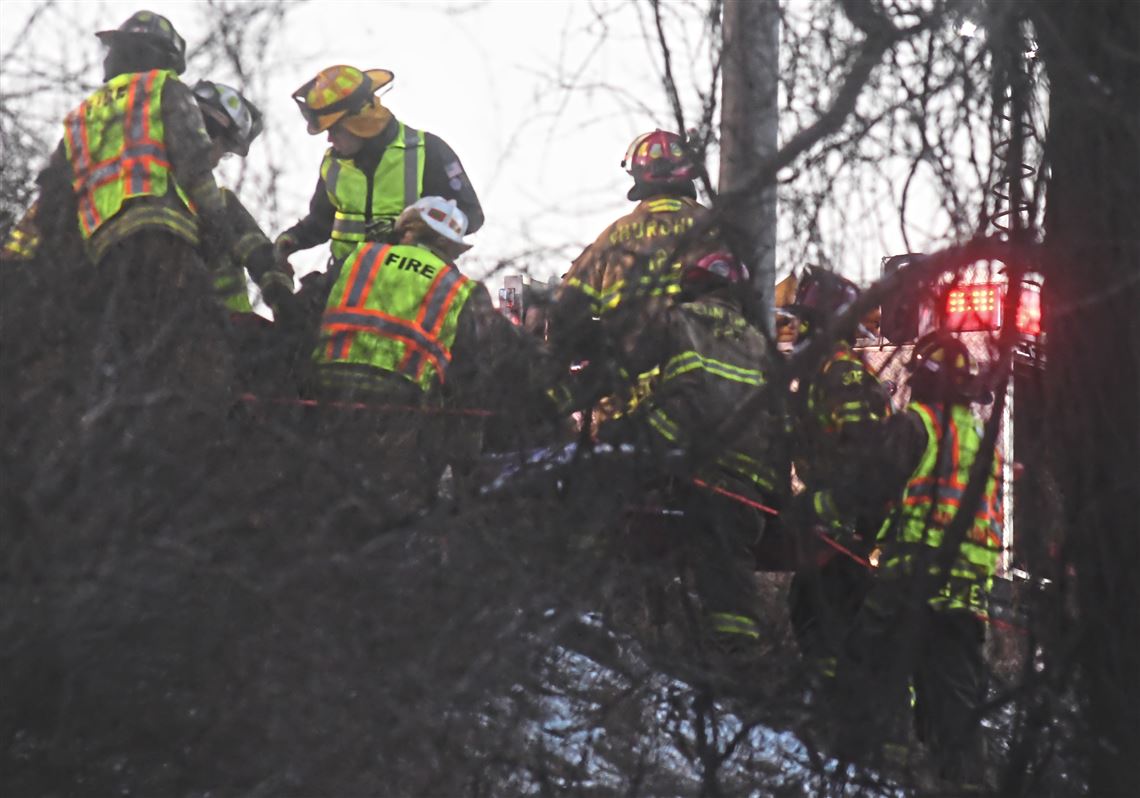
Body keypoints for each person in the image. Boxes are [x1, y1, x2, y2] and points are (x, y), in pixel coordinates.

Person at [557, 250, 785, 657]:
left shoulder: (681, 319)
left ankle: (582, 594)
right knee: (728, 576)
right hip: (746, 474)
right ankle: (740, 658)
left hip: (683, 448)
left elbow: (625, 363)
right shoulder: (761, 343)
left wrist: (577, 388)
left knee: (594, 479)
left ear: (695, 285)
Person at [835, 332, 1003, 786]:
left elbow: (871, 486)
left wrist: (834, 516)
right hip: (967, 591)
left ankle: (869, 770)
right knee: (954, 699)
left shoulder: (916, 425)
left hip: (911, 576)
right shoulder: (983, 440)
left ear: (926, 379)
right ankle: (963, 784)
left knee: (868, 663)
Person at [48, 10, 237, 400]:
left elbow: (55, 195)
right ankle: (203, 411)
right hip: (161, 234)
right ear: (165, 57)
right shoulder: (164, 88)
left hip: (104, 249)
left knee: (125, 342)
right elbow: (194, 161)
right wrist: (217, 225)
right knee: (196, 330)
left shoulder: (82, 113)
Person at [784, 266, 893, 684]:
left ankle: (838, 702)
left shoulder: (841, 374)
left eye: (806, 324)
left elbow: (866, 463)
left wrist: (822, 507)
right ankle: (834, 698)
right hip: (840, 525)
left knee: (826, 617)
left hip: (853, 529)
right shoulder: (820, 374)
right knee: (811, 609)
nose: (797, 334)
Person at [276, 65, 483, 277]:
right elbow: (322, 221)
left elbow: (471, 216)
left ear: (359, 122)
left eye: (335, 130)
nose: (330, 139)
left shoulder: (426, 150)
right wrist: (293, 239)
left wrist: (416, 232)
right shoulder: (334, 164)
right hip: (348, 283)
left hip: (410, 282)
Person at [548, 130, 720, 380]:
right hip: (702, 381)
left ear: (638, 174)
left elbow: (566, 309)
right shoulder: (714, 228)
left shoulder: (613, 237)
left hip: (627, 385)